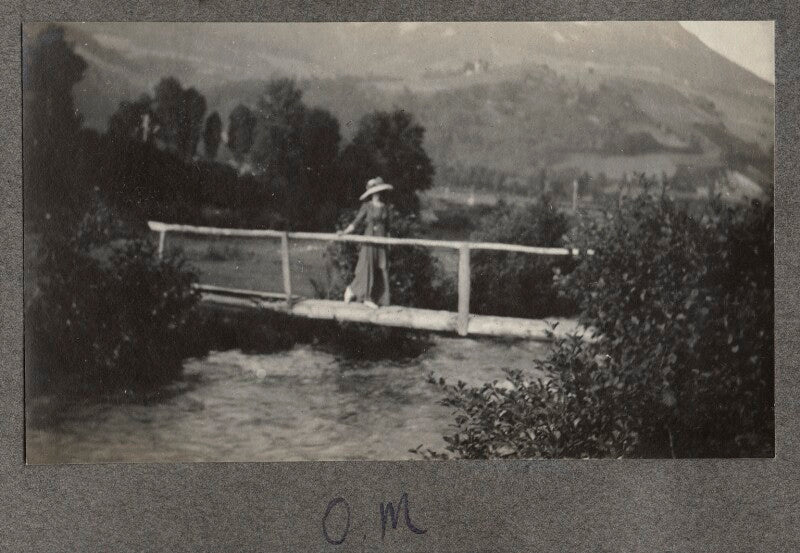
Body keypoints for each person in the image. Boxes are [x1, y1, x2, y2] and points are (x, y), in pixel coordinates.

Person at [337, 177, 393, 308]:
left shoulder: (385, 208)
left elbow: (388, 227)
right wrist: (344, 232)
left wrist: (388, 243)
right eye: (375, 192)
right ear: (371, 193)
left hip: (381, 241)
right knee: (367, 267)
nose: (377, 194)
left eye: (379, 191)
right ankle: (362, 294)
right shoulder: (366, 207)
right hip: (369, 239)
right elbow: (356, 223)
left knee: (381, 267)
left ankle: (375, 298)